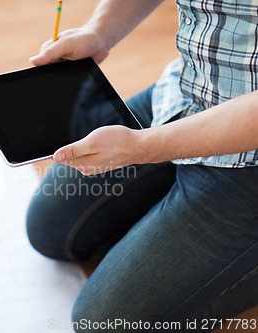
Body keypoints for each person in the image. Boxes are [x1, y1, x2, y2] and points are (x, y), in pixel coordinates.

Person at [26, 0, 258, 332]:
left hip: (251, 155)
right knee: (50, 231)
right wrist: (99, 31)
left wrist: (143, 147)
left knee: (105, 323)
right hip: (187, 94)